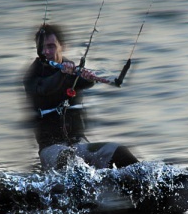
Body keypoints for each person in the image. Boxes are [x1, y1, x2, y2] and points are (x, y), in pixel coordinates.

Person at [23, 23, 138, 169]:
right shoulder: (32, 76)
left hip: (80, 145)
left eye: (51, 46)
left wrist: (88, 77)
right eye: (41, 47)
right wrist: (63, 74)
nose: (45, 51)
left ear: (62, 46)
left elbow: (84, 83)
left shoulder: (70, 69)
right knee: (70, 160)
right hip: (51, 149)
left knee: (119, 151)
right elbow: (46, 88)